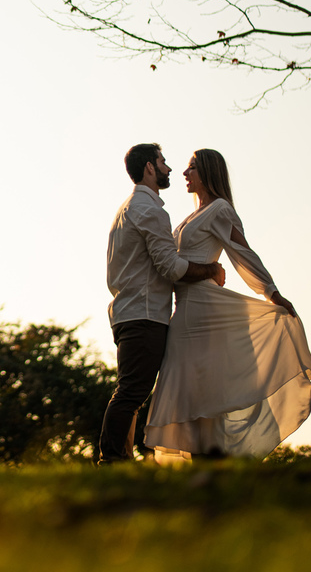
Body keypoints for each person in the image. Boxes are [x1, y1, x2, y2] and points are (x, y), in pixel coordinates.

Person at [144, 149, 311, 460]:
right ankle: (202, 464)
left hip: (205, 309)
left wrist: (271, 292)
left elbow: (243, 252)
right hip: (182, 312)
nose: (184, 173)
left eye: (192, 167)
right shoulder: (190, 216)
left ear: (208, 172)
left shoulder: (220, 209)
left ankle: (213, 461)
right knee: (186, 390)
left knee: (205, 390)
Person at [98, 144, 226, 464]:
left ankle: (120, 460)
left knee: (132, 391)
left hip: (127, 312)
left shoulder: (128, 208)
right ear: (149, 168)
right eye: (163, 162)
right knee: (132, 392)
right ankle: (112, 461)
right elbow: (172, 267)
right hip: (145, 316)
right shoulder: (150, 210)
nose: (169, 169)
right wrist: (211, 270)